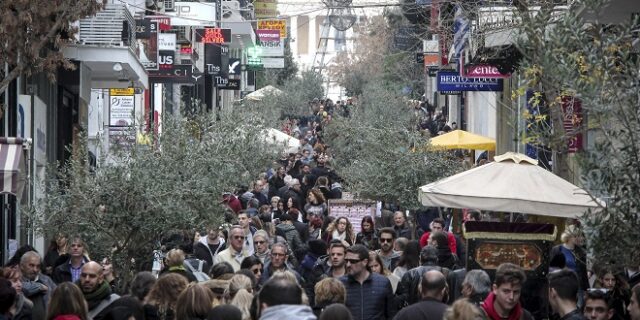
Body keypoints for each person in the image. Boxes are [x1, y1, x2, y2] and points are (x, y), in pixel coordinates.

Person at [340, 244, 395, 320]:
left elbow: (390, 314)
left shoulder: (383, 283)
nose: (348, 265)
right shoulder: (340, 284)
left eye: (353, 261)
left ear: (365, 262)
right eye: (346, 261)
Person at [551, 225, 589, 307]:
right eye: (576, 236)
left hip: (578, 287)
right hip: (562, 285)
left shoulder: (581, 252)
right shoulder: (557, 250)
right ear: (569, 237)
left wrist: (586, 289)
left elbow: (583, 271)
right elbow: (552, 268)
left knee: (578, 308)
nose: (579, 238)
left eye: (580, 236)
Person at [20, 251, 56, 320]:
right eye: (31, 265)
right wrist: (40, 287)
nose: (35, 270)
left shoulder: (46, 280)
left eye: (38, 266)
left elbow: (58, 293)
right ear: (22, 266)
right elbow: (24, 287)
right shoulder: (17, 280)